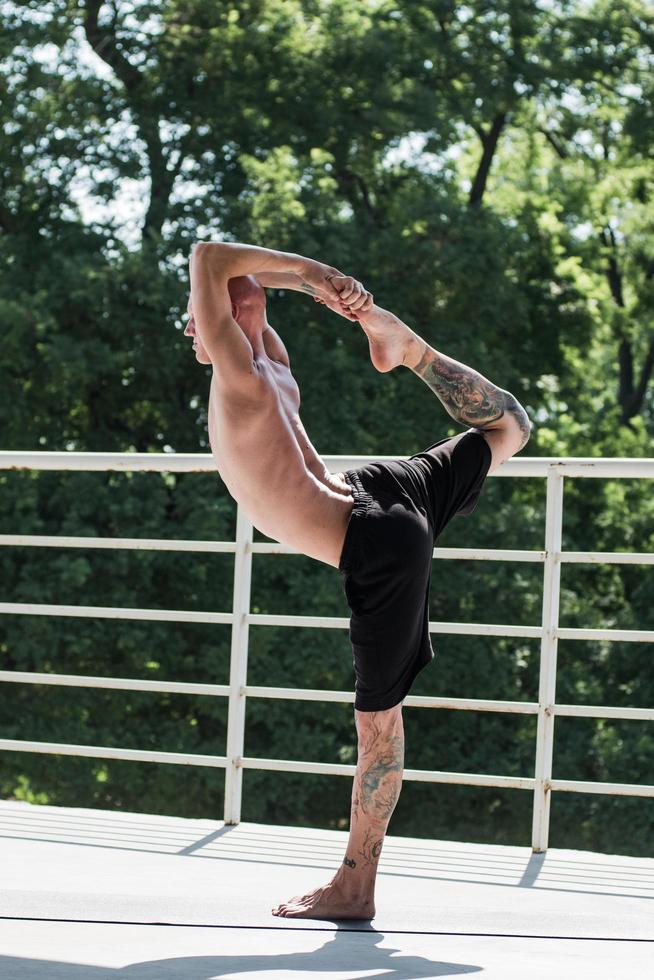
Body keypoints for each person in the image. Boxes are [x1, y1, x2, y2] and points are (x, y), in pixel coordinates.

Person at [185, 241, 530, 921]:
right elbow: (233, 276)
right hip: (378, 491)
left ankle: (354, 888)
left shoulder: (246, 373)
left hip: (374, 542)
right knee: (509, 425)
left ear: (224, 316)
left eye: (198, 314)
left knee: (379, 726)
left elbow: (216, 262)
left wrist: (319, 281)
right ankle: (412, 352)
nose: (195, 321)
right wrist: (327, 286)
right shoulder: (268, 367)